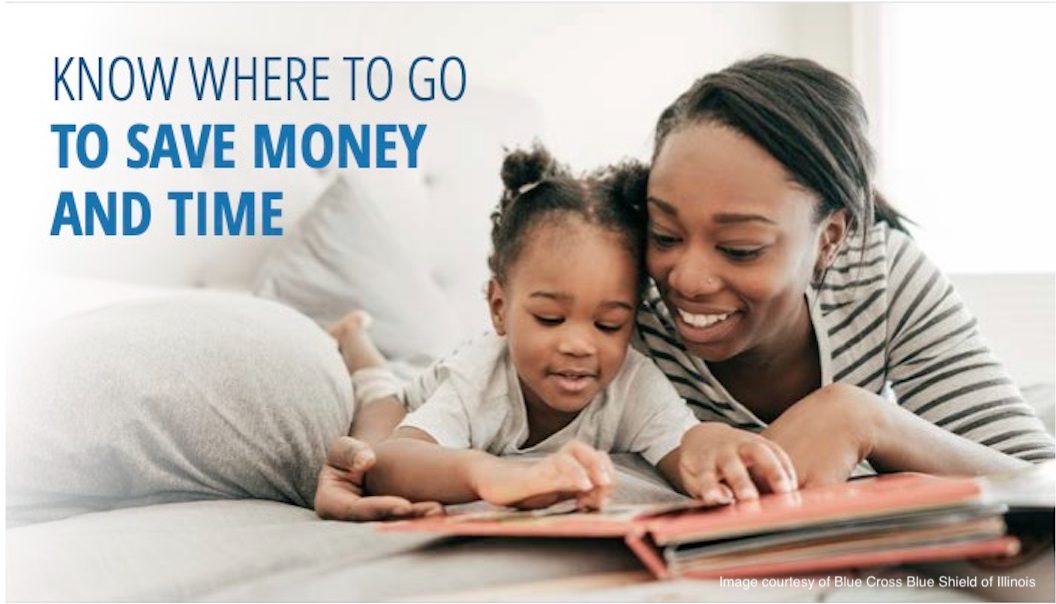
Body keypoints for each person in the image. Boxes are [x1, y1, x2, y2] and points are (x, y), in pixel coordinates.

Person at [315, 55, 1054, 522]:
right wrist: (367, 456)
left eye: (740, 246)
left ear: (830, 238)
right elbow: (467, 409)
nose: (686, 280)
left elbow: (1033, 476)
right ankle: (359, 341)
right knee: (394, 375)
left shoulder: (883, 275)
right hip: (430, 382)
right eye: (665, 234)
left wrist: (865, 418)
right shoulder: (618, 299)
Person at [320, 145, 797, 517]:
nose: (577, 344)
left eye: (609, 324)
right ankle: (354, 337)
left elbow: (682, 442)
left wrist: (715, 444)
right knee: (376, 405)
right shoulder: (478, 379)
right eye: (549, 318)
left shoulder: (633, 382)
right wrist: (489, 474)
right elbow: (394, 462)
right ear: (500, 308)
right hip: (412, 398)